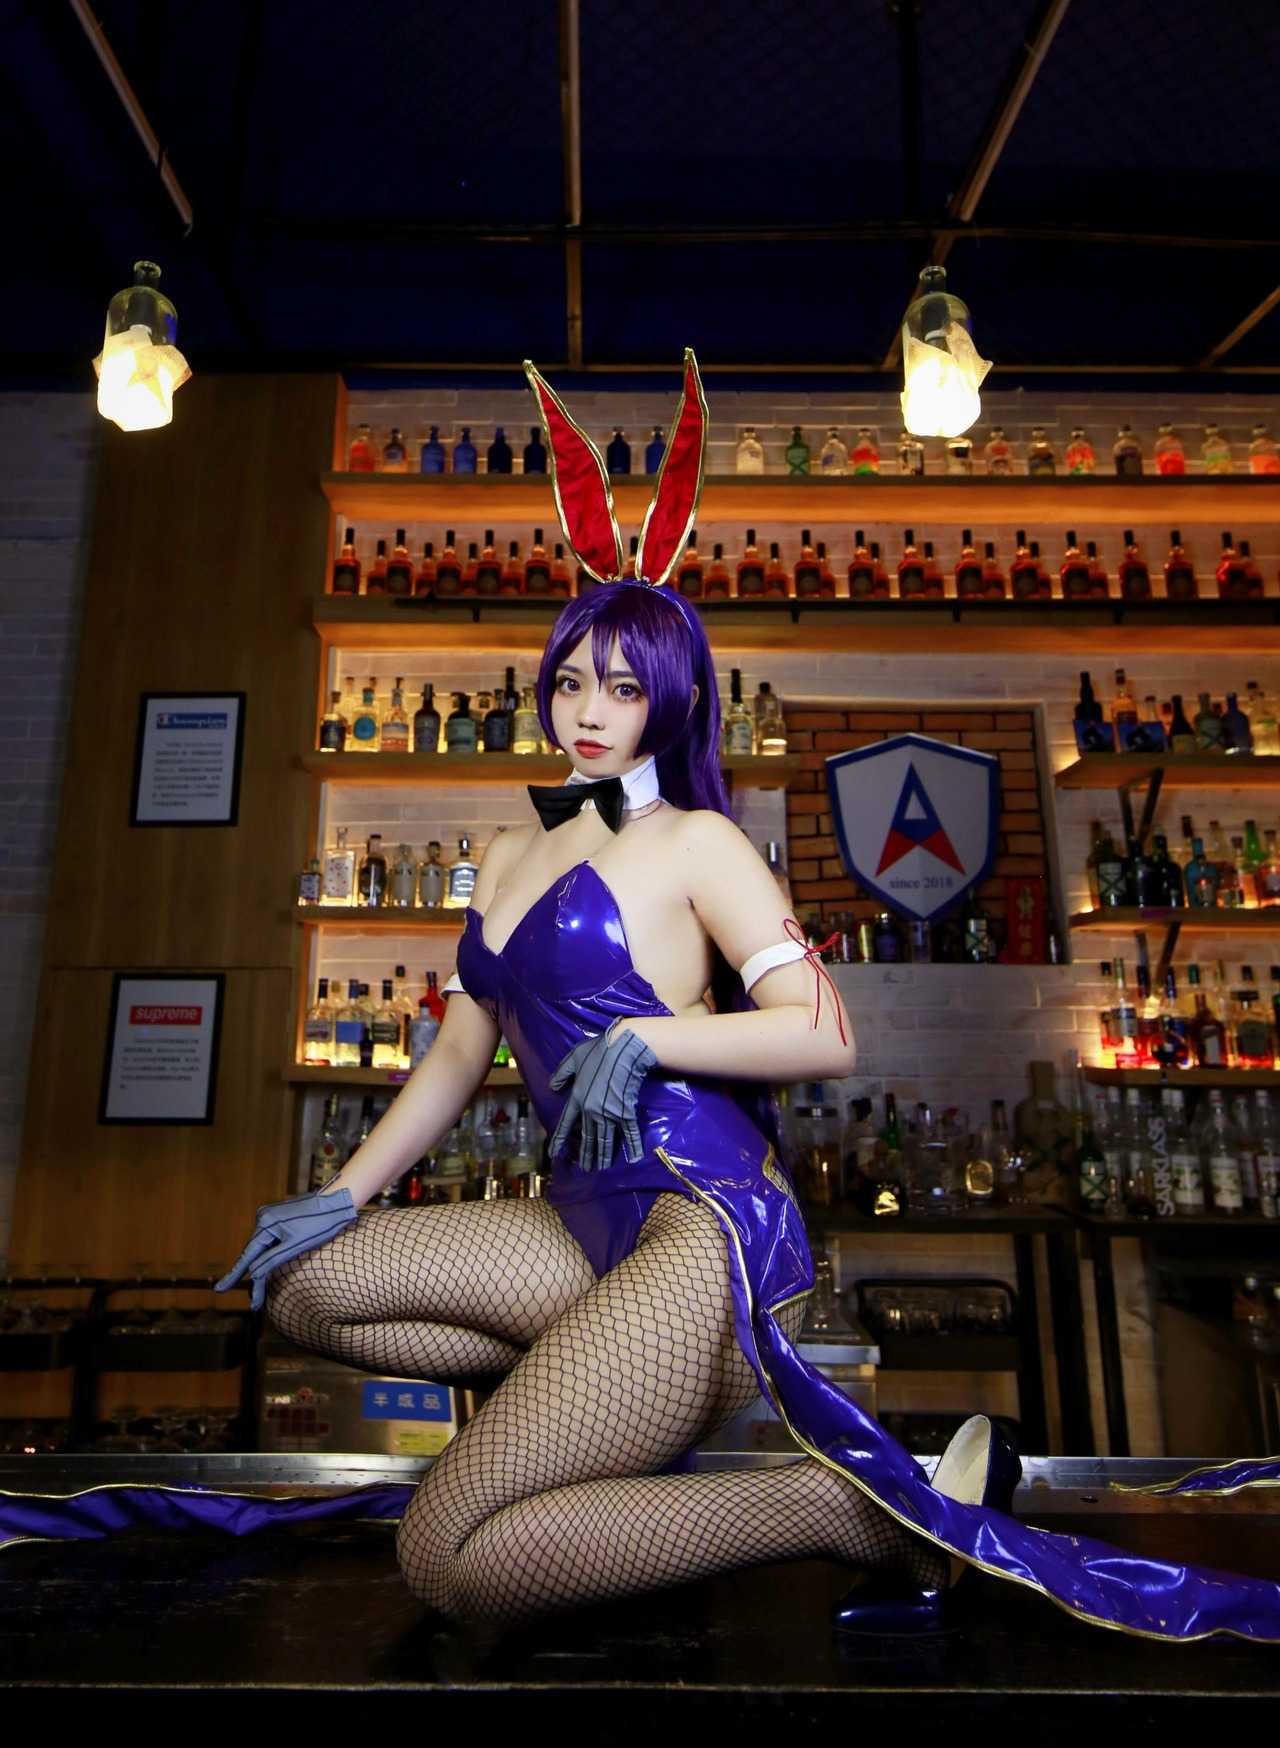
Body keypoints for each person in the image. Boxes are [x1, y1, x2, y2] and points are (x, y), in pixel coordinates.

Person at [25, 352, 1263, 1638]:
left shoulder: (696, 842)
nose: (587, 708)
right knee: (308, 1283)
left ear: (667, 697)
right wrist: (342, 1189)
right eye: (571, 678)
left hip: (699, 1222)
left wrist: (650, 1032)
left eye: (621, 686)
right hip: (575, 1221)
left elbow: (825, 1032)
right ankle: (619, 1375)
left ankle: (842, 1507)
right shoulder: (508, 849)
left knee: (446, 1555)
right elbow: (456, 1055)